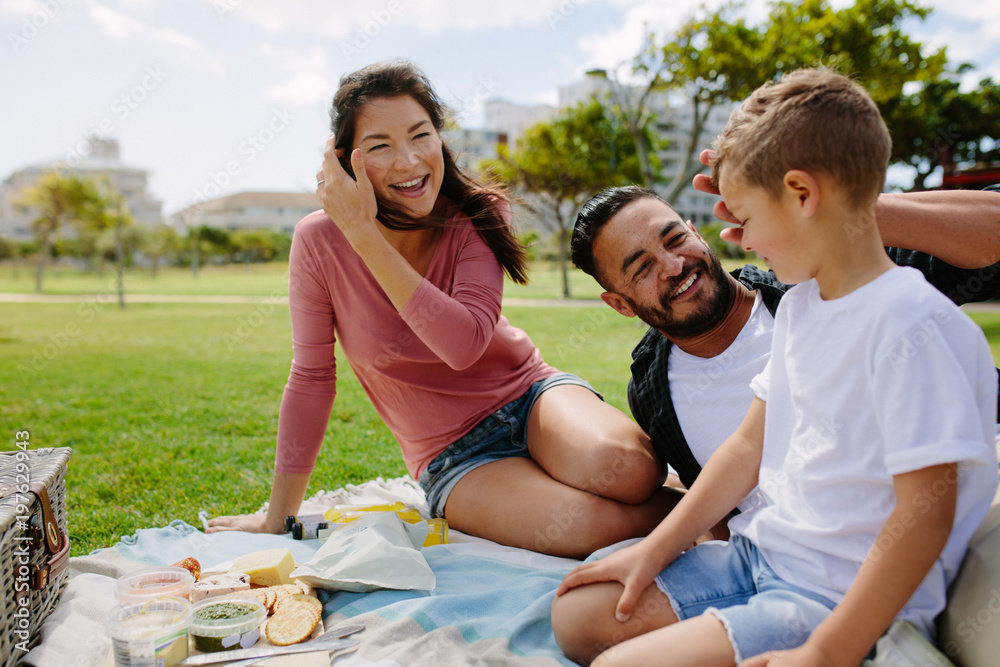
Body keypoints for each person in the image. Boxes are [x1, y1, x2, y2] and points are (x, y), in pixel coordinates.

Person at [552, 68, 999, 666]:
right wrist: (654, 550)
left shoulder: (910, 323)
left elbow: (926, 514)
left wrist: (824, 652)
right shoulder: (805, 308)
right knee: (576, 618)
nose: (737, 239)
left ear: (803, 196)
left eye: (748, 218)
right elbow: (746, 445)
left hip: (830, 598)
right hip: (767, 555)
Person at [207, 59, 678, 559]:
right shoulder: (318, 241)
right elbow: (312, 377)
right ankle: (720, 512)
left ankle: (719, 505)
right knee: (588, 526)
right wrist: (278, 515)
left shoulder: (476, 213)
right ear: (347, 162)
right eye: (381, 147)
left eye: (420, 135)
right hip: (455, 456)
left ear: (439, 137)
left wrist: (364, 234)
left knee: (632, 469)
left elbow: (464, 344)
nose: (409, 162)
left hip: (531, 395)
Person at [569, 164, 1000, 498]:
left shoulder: (820, 276)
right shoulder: (652, 391)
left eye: (675, 238)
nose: (674, 265)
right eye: (643, 267)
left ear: (696, 233)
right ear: (620, 304)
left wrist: (836, 211)